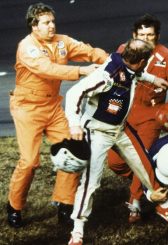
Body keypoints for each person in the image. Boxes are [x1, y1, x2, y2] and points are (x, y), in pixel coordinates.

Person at [65, 39, 168, 245]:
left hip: (120, 128)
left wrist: (153, 79)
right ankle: (77, 230)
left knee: (144, 164)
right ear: (143, 60)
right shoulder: (106, 75)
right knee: (91, 181)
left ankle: (162, 203)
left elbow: (135, 73)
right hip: (98, 132)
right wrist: (74, 124)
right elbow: (75, 93)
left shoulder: (129, 64)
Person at [7, 2, 108, 228]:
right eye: (46, 23)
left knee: (74, 148)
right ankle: (14, 206)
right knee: (30, 161)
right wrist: (81, 71)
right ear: (34, 26)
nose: (52, 26)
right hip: (27, 107)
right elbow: (48, 69)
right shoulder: (27, 47)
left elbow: (88, 51)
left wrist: (110, 61)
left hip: (52, 107)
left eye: (52, 21)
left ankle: (65, 203)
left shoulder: (62, 41)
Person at [106, 13, 168, 223]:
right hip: (125, 114)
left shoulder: (166, 56)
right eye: (141, 34)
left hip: (151, 116)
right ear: (134, 35)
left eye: (150, 35)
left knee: (139, 159)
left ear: (157, 36)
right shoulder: (123, 50)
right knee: (115, 162)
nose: (145, 39)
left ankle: (135, 202)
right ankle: (151, 180)